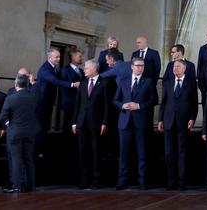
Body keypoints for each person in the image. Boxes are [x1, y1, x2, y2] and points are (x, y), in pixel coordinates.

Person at [113, 57, 157, 190]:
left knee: (142, 153)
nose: (140, 68)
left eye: (142, 66)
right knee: (124, 154)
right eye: (138, 65)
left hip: (141, 122)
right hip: (125, 122)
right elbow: (115, 100)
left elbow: (154, 100)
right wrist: (123, 105)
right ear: (132, 67)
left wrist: (138, 106)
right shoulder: (124, 81)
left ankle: (142, 181)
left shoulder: (148, 81)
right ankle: (122, 181)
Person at [158, 60, 198, 190]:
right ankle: (171, 181)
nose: (175, 68)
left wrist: (192, 118)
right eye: (174, 66)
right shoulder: (168, 82)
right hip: (168, 121)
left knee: (182, 152)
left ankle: (182, 182)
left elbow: (194, 103)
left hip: (184, 121)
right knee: (169, 153)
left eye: (178, 66)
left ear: (184, 69)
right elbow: (163, 103)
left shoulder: (191, 83)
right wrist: (160, 120)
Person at [0, 74, 40, 193]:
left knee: (16, 159)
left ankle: (16, 185)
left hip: (15, 132)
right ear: (27, 84)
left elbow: (2, 117)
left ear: (16, 84)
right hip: (30, 132)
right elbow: (37, 88)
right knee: (28, 159)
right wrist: (33, 82)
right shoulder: (34, 96)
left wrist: (9, 124)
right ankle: (30, 185)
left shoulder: (11, 98)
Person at [72, 60, 109, 190]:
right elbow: (78, 104)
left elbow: (106, 105)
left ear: (94, 69)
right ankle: (84, 181)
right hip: (82, 124)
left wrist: (105, 122)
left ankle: (96, 181)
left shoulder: (104, 83)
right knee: (83, 153)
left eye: (86, 68)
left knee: (96, 153)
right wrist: (74, 122)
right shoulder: (82, 84)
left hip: (96, 124)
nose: (84, 70)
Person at [36, 48, 79, 158]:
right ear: (49, 57)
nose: (59, 59)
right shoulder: (46, 69)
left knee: (45, 127)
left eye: (59, 56)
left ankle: (41, 150)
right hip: (42, 103)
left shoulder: (53, 67)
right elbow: (55, 81)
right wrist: (72, 85)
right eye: (57, 57)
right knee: (41, 128)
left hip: (48, 102)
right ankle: (38, 151)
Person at [60, 49, 85, 135]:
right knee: (68, 126)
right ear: (73, 57)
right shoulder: (64, 70)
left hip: (80, 103)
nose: (82, 58)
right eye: (80, 56)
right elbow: (62, 85)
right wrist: (73, 85)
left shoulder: (82, 71)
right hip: (69, 103)